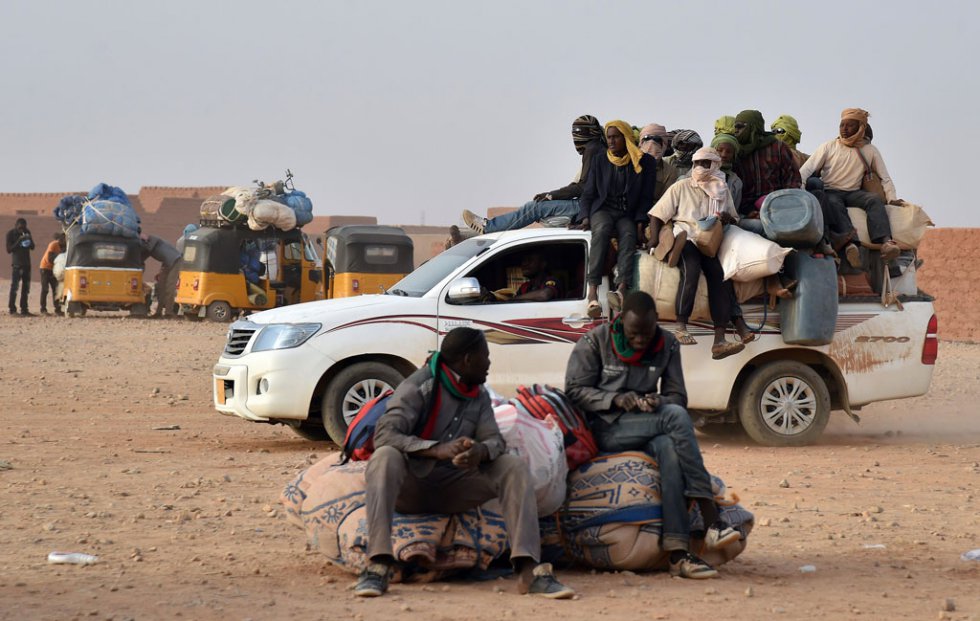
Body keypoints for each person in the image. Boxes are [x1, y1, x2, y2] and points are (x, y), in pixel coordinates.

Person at [358, 327, 574, 599]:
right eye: (486, 356)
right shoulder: (418, 386)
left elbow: (495, 440)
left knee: (512, 466)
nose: (490, 363)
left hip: (455, 485)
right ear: (468, 359)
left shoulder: (478, 394)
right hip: (413, 486)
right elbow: (385, 434)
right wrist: (436, 449)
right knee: (385, 456)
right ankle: (378, 564)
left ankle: (529, 569)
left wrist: (479, 451)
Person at [564, 291, 741, 579]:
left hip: (649, 424)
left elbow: (676, 397)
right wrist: (616, 400)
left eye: (646, 333)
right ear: (621, 323)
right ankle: (712, 517)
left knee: (670, 447)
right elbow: (574, 390)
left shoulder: (668, 344)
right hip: (606, 428)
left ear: (656, 323)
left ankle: (677, 552)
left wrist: (657, 402)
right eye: (634, 334)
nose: (640, 340)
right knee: (674, 419)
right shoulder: (596, 340)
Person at [648, 147, 746, 360]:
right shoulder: (681, 186)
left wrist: (725, 217)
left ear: (715, 165)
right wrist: (654, 239)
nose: (700, 168)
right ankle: (681, 325)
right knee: (691, 269)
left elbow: (734, 218)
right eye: (697, 163)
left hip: (709, 241)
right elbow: (657, 214)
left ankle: (719, 339)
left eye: (705, 163)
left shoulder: (722, 188)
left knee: (719, 276)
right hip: (686, 236)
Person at [462, 115, 605, 234]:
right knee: (536, 206)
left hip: (588, 205)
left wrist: (551, 195)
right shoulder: (598, 148)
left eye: (577, 135)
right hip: (589, 203)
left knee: (534, 207)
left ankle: (489, 227)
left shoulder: (592, 149)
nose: (575, 140)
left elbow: (583, 187)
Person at [799, 108, 903, 262]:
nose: (844, 129)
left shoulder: (870, 150)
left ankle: (886, 242)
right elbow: (806, 170)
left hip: (853, 193)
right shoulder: (829, 146)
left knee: (873, 200)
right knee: (834, 204)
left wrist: (892, 198)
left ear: (861, 128)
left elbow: (884, 178)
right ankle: (850, 245)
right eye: (842, 125)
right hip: (831, 191)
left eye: (850, 126)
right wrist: (800, 191)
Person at [578, 120, 657, 318]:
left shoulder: (643, 161)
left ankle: (621, 290)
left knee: (629, 235)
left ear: (626, 138)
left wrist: (640, 222)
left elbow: (646, 196)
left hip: (626, 213)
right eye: (609, 137)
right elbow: (588, 192)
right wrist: (585, 217)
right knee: (602, 230)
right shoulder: (599, 159)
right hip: (603, 209)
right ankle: (593, 293)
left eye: (615, 137)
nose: (611, 141)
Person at [732, 110, 802, 216]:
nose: (736, 130)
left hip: (778, 207)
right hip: (746, 211)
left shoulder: (777, 147)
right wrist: (749, 211)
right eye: (735, 126)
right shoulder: (735, 152)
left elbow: (792, 179)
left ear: (753, 127)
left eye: (739, 126)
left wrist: (784, 204)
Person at [141, 235, 181, 318]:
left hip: (175, 261)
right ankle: (158, 312)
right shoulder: (148, 244)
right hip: (166, 262)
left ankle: (169, 312)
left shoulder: (152, 240)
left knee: (169, 287)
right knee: (160, 286)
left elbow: (147, 250)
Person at [638, 123, 680, 203]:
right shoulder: (630, 165)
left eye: (657, 139)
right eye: (647, 138)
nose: (651, 143)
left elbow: (665, 201)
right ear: (641, 142)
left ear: (664, 144)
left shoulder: (670, 172)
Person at [6, 218, 35, 316]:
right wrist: (19, 240)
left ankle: (24, 309)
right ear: (16, 225)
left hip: (27, 264)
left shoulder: (27, 232)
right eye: (20, 227)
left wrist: (29, 239)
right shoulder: (10, 234)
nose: (22, 230)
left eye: (24, 227)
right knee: (14, 287)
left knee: (26, 288)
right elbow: (9, 249)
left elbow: (33, 247)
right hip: (17, 265)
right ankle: (12, 309)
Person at [709, 133, 743, 209]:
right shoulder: (697, 173)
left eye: (728, 152)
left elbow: (734, 210)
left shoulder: (735, 181)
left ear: (733, 155)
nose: (724, 155)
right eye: (720, 150)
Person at [38, 232, 66, 316]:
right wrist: (60, 255)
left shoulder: (65, 247)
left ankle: (57, 309)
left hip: (54, 269)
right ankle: (43, 309)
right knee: (45, 289)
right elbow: (50, 258)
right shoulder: (53, 244)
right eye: (63, 239)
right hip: (45, 268)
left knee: (56, 290)